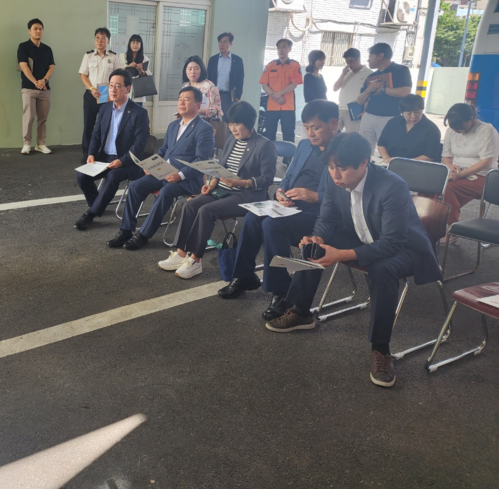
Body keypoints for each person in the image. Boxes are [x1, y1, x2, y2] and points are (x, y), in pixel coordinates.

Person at [264, 133, 442, 388]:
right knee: (316, 247)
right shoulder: (333, 178)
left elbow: (392, 242)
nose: (335, 175)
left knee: (382, 268)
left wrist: (342, 255)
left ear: (363, 163)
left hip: (406, 248)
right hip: (363, 235)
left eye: (342, 169)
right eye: (331, 167)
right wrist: (316, 237)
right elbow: (327, 219)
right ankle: (301, 312)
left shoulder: (392, 186)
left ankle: (381, 349)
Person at [218, 100, 340, 320]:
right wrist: (280, 192)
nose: (310, 133)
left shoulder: (343, 151)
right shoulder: (304, 146)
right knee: (253, 217)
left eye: (316, 128)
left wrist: (316, 196)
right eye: (307, 128)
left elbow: (347, 196)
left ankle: (281, 290)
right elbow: (288, 176)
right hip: (290, 206)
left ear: (333, 124)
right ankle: (244, 276)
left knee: (272, 225)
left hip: (319, 214)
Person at [158, 101, 275, 279]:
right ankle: (181, 253)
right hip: (222, 189)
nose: (232, 128)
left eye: (237, 124)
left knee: (206, 210)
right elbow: (221, 167)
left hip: (245, 194)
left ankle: (195, 260)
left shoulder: (264, 145)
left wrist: (241, 182)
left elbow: (267, 179)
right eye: (230, 124)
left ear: (249, 123)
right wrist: (211, 184)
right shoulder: (231, 139)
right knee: (190, 205)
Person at [108, 86, 215, 251]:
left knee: (166, 192)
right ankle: (126, 230)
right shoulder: (173, 125)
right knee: (135, 186)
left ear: (198, 104)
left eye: (187, 99)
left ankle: (143, 235)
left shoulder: (204, 128)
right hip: (163, 172)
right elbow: (164, 150)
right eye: (180, 99)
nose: (182, 102)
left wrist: (180, 175)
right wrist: (152, 166)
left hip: (187, 179)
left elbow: (202, 161)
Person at [74, 68, 150, 230]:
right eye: (111, 85)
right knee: (81, 176)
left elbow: (139, 145)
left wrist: (122, 161)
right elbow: (96, 135)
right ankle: (97, 204)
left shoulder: (139, 113)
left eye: (118, 86)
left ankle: (91, 214)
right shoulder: (105, 108)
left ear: (127, 89)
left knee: (113, 176)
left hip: (129, 161)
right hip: (104, 158)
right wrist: (91, 154)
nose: (113, 89)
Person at [441, 103, 499, 231]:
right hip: (456, 172)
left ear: (471, 120)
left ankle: (451, 229)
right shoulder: (452, 130)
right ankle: (429, 224)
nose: (457, 131)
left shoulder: (486, 130)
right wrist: (449, 166)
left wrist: (461, 175)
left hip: (483, 175)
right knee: (430, 188)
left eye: (460, 128)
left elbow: (486, 161)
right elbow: (446, 156)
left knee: (447, 189)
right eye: (454, 128)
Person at [356, 42, 412, 153]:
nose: (368, 60)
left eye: (371, 56)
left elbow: (406, 91)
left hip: (390, 117)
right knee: (363, 150)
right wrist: (369, 89)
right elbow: (360, 101)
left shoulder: (401, 70)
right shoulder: (371, 76)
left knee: (388, 150)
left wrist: (383, 89)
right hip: (369, 116)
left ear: (380, 56)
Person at [79, 28, 119, 163]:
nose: (100, 41)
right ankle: (87, 154)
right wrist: (91, 89)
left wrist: (111, 94)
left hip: (106, 96)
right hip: (91, 94)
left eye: (103, 38)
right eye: (97, 38)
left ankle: (102, 153)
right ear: (94, 40)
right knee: (88, 125)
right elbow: (83, 75)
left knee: (105, 125)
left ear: (108, 41)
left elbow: (118, 76)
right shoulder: (88, 56)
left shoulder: (113, 57)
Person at [17, 18, 55, 155]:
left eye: (40, 29)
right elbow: (24, 66)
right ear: (29, 31)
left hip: (44, 89)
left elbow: (52, 67)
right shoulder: (23, 47)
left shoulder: (47, 49)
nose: (38, 31)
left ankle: (41, 144)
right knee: (28, 117)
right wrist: (36, 82)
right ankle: (27, 144)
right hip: (29, 88)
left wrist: (44, 80)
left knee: (42, 118)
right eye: (35, 29)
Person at [377, 94, 442, 164]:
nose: (413, 116)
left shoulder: (432, 129)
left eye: (417, 112)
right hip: (389, 163)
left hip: (415, 166)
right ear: (402, 112)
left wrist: (404, 163)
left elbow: (430, 156)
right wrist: (386, 158)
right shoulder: (393, 123)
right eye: (409, 113)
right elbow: (381, 144)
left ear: (422, 110)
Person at [260, 38, 302, 144]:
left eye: (284, 47)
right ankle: (269, 153)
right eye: (279, 48)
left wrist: (278, 94)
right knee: (269, 134)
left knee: (288, 134)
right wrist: (275, 96)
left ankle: (289, 154)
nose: (281, 50)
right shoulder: (270, 66)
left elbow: (294, 84)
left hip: (288, 106)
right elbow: (264, 85)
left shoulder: (295, 65)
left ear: (290, 49)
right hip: (272, 105)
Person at [333, 48, 372, 133]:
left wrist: (365, 111)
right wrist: (343, 74)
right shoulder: (347, 73)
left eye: (351, 61)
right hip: (340, 108)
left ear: (358, 59)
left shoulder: (368, 73)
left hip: (355, 110)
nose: (349, 65)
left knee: (352, 136)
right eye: (347, 62)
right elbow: (335, 88)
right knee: (332, 134)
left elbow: (370, 95)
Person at [207, 32, 245, 117]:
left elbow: (240, 79)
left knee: (227, 118)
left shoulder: (237, 60)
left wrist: (238, 95)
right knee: (213, 118)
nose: (222, 44)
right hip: (214, 95)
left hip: (228, 96)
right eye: (220, 42)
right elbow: (208, 77)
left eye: (225, 42)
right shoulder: (213, 60)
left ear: (231, 43)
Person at [182, 56, 223, 121]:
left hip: (206, 122)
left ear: (201, 70)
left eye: (196, 69)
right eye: (190, 69)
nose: (192, 72)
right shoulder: (185, 87)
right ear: (185, 71)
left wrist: (196, 111)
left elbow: (217, 110)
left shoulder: (209, 86)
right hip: (189, 122)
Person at [118, 34, 152, 102]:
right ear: (129, 44)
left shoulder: (145, 58)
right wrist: (128, 67)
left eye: (137, 43)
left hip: (139, 90)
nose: (135, 45)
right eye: (133, 43)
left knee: (137, 108)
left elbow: (148, 75)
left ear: (141, 45)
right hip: (124, 89)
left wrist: (141, 70)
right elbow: (118, 71)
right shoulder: (122, 56)